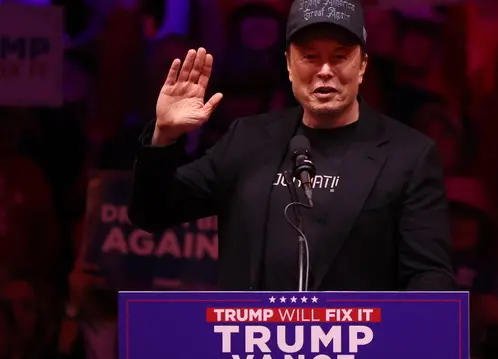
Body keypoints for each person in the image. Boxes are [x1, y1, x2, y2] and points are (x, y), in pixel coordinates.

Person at [128, 0, 454, 291]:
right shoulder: (248, 139)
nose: (325, 71)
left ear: (363, 65)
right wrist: (165, 136)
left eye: (340, 57)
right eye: (310, 57)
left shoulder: (408, 155)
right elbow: (152, 212)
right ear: (288, 64)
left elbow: (428, 275)